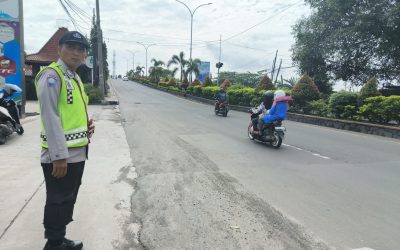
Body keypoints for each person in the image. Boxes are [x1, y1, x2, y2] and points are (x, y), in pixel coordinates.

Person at [35, 31, 95, 250]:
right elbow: (50, 117)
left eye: (81, 49)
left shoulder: (74, 76)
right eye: (71, 47)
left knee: (68, 197)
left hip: (77, 152)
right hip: (61, 156)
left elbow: (69, 111)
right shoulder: (52, 75)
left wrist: (86, 123)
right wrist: (58, 156)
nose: (77, 53)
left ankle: (59, 239)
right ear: (59, 49)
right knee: (58, 199)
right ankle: (53, 244)